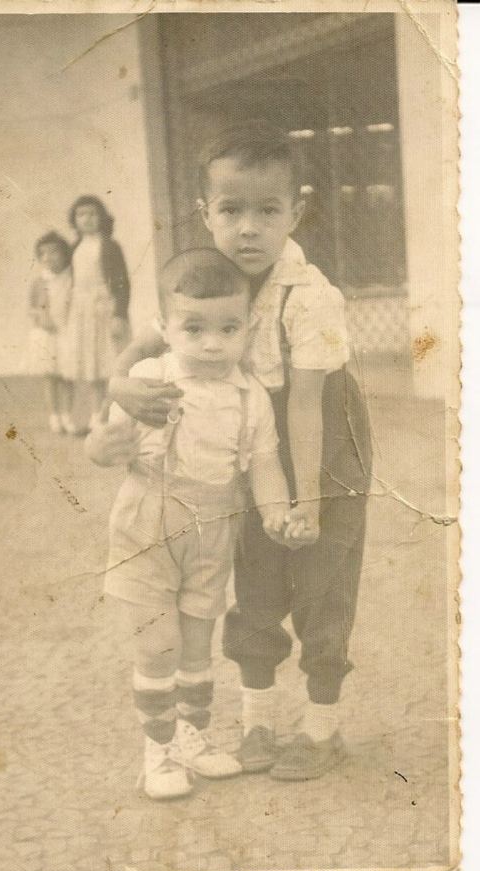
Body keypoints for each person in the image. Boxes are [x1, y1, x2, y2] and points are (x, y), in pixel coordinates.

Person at [103, 119, 372, 782]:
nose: (248, 228)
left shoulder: (307, 296)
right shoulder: (204, 278)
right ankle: (256, 723)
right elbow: (144, 346)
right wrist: (117, 385)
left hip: (321, 441)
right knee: (250, 575)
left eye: (266, 211)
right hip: (237, 438)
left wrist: (302, 503)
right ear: (206, 212)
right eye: (231, 211)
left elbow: (306, 406)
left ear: (295, 213)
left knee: (318, 579)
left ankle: (320, 727)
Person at [86, 248, 294, 800]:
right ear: (164, 328)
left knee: (199, 647)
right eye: (194, 328)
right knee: (158, 647)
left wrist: (275, 510)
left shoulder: (250, 396)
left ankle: (192, 738)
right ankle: (156, 751)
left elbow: (265, 463)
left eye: (228, 328)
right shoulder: (148, 379)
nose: (211, 342)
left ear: (247, 328)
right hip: (145, 528)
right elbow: (104, 447)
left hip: (213, 532)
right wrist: (102, 445)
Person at [63, 195, 130, 433]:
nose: (87, 219)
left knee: (108, 362)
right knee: (90, 365)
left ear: (101, 217)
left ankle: (113, 415)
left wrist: (119, 314)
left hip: (104, 309)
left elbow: (122, 282)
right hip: (82, 311)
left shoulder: (110, 246)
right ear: (75, 219)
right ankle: (95, 415)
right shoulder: (73, 248)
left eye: (92, 214)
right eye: (81, 214)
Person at [27, 231, 74, 434]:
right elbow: (32, 308)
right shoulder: (39, 282)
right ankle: (54, 416)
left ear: (65, 254)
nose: (49, 257)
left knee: (68, 375)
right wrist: (41, 317)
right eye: (43, 253)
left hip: (68, 333)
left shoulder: (72, 279)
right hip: (47, 334)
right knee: (50, 376)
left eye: (54, 252)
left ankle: (67, 415)